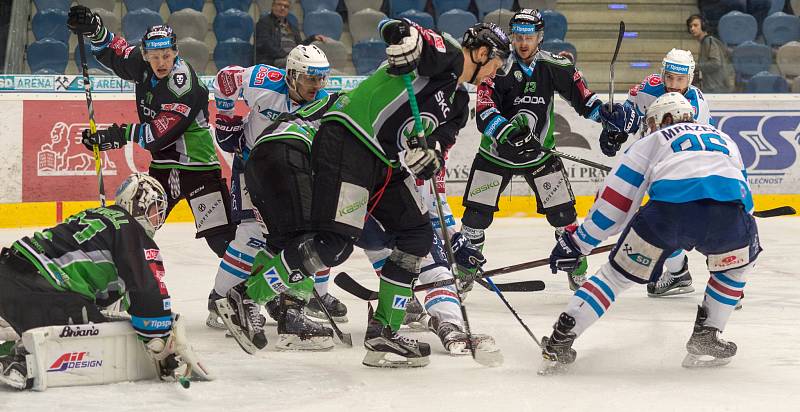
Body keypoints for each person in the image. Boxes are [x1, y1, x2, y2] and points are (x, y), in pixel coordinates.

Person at [217, 20, 510, 367]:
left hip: (385, 164)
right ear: (480, 52)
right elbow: (401, 29)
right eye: (497, 62)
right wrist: (403, 38)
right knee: (334, 243)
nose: (497, 72)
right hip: (349, 140)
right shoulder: (444, 57)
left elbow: (438, 146)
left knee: (416, 235)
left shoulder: (459, 102)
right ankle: (245, 296)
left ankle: (384, 332)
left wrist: (426, 155)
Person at [542, 93, 759, 373]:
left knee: (614, 277)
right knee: (736, 267)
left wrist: (578, 243)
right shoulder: (724, 138)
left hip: (669, 215)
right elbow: (744, 193)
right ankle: (707, 335)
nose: (651, 128)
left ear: (666, 119)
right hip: (730, 218)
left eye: (653, 122)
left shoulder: (653, 140)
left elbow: (616, 201)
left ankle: (561, 340)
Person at [459, 9, 629, 292]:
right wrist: (510, 133)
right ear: (511, 37)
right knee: (475, 217)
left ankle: (577, 269)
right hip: (495, 155)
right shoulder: (495, 65)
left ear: (540, 37)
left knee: (564, 215)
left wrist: (608, 117)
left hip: (540, 155)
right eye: (518, 37)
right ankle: (464, 271)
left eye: (529, 37)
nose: (523, 43)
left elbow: (585, 102)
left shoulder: (555, 66)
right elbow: (485, 112)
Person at [67, 6, 236, 260]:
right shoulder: (141, 62)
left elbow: (159, 134)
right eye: (154, 56)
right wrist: (94, 28)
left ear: (176, 53)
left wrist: (113, 136)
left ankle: (257, 285)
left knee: (221, 240)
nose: (161, 62)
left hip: (199, 170)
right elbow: (114, 50)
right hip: (162, 171)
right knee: (134, 231)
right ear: (144, 54)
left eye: (166, 56)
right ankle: (120, 284)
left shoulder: (183, 84)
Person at [208, 46, 346, 341]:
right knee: (250, 234)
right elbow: (224, 79)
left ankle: (307, 296)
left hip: (290, 175)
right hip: (250, 166)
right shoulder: (263, 79)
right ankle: (221, 299)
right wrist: (227, 117)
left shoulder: (322, 104)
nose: (317, 86)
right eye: (311, 78)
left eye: (322, 79)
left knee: (308, 233)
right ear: (292, 75)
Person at [0, 174, 183, 389]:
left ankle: (16, 327)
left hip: (9, 269)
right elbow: (147, 290)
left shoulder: (94, 214)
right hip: (36, 287)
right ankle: (21, 361)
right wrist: (161, 339)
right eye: (154, 209)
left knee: (87, 309)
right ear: (138, 205)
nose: (157, 218)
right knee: (94, 331)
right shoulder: (131, 230)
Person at [606, 49, 712, 298]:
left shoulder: (696, 107)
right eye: (670, 78)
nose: (674, 85)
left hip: (681, 167)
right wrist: (617, 129)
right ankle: (678, 275)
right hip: (649, 159)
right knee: (661, 222)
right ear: (663, 74)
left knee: (691, 225)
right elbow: (630, 112)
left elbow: (692, 148)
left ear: (690, 79)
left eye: (680, 80)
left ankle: (721, 280)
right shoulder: (649, 87)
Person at [255, 0, 331, 67]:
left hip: (292, 58)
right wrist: (287, 55)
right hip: (274, 60)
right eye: (279, 4)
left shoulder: (292, 27)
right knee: (308, 64)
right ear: (273, 6)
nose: (282, 8)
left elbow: (299, 46)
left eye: (286, 6)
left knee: (317, 62)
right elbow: (265, 44)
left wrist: (313, 38)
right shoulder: (264, 22)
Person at [687, 14, 734, 93]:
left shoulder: (708, 41)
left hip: (717, 88)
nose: (692, 28)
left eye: (695, 25)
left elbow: (715, 63)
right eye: (690, 26)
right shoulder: (705, 42)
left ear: (703, 26)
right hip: (714, 87)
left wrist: (695, 66)